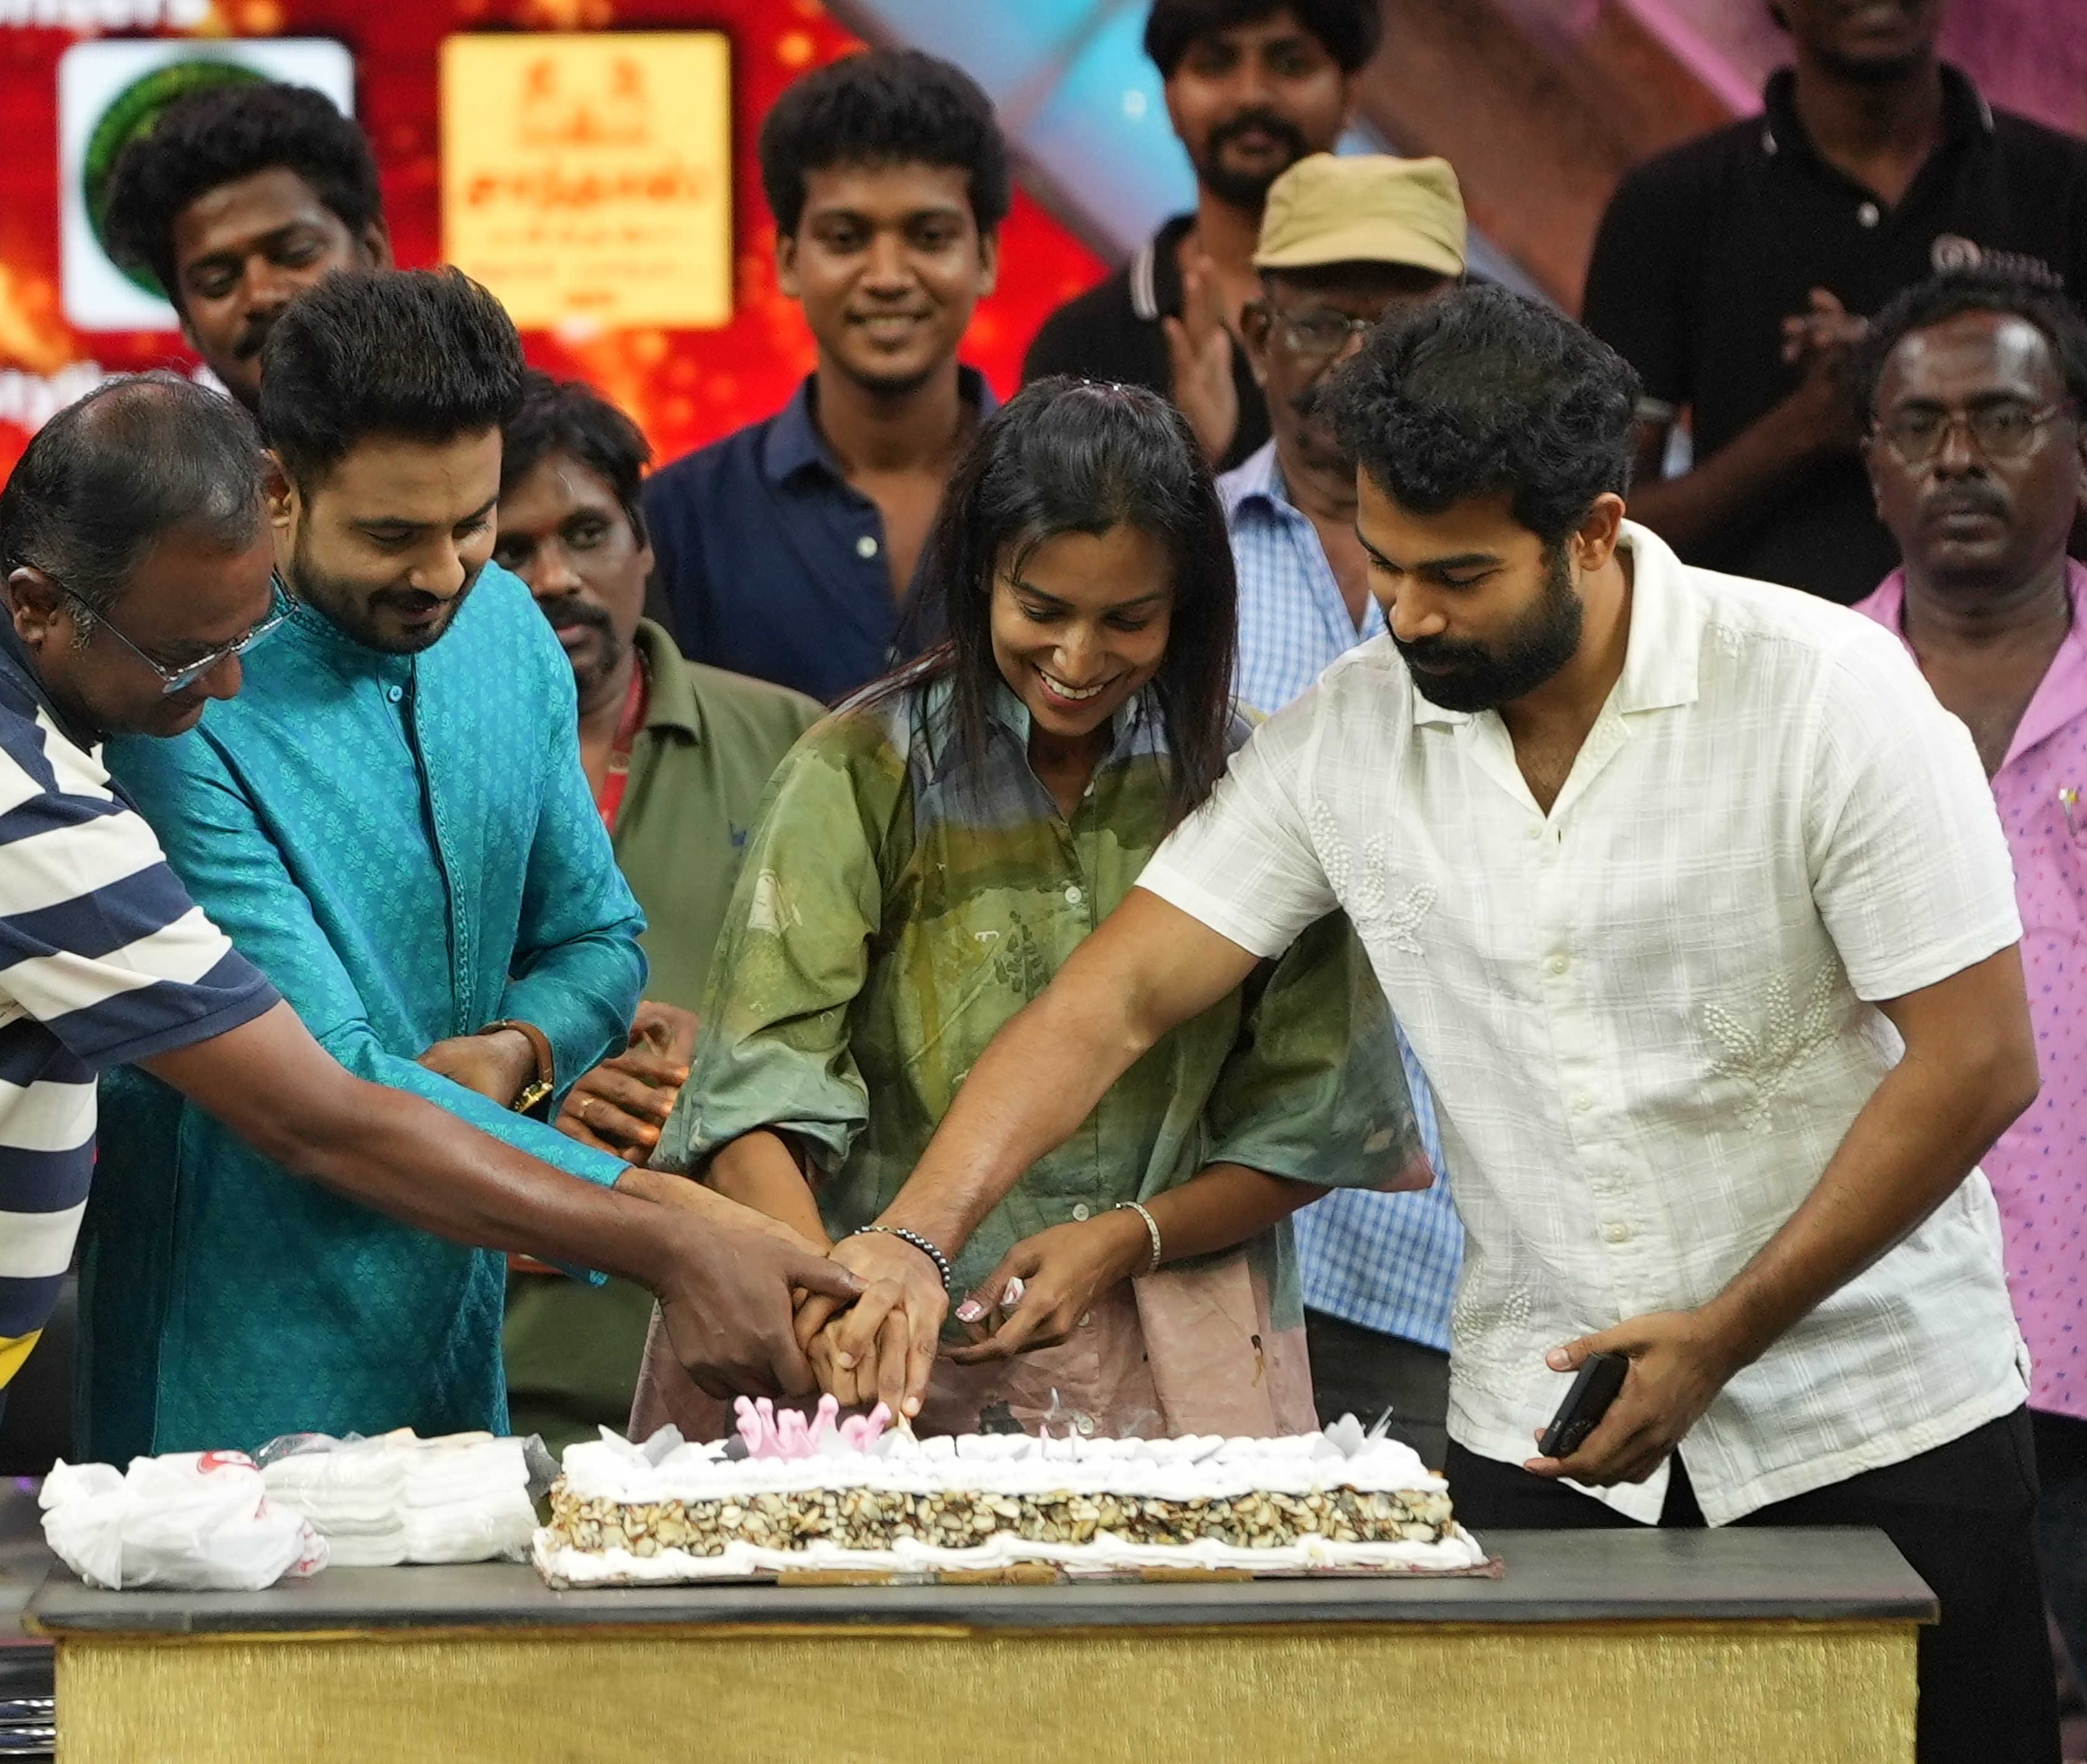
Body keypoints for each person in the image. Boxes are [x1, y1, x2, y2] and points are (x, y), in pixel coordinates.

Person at [0, 372, 854, 1764]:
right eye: (182, 657)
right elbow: (326, 1117)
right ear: (38, 603)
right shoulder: (17, 808)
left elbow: (583, 944)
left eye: (245, 635)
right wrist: (676, 1238)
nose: (222, 688)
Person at [859, 286, 2056, 1763]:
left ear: (1594, 530)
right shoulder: (1353, 731)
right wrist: (913, 1234)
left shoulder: (1823, 693)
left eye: (1459, 575)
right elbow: (1114, 995)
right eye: (1384, 558)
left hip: (1873, 1416)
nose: (1405, 610)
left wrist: (1724, 1332)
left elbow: (1977, 1057)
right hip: (1544, 1438)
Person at [639, 374, 1425, 1442]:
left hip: (1177, 1367)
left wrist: (1129, 1236)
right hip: (872, 1349)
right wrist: (839, 1296)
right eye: (1042, 611)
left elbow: (1312, 1127)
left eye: (1128, 620)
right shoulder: (861, 770)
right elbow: (750, 1102)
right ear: (977, 578)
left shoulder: (1252, 780)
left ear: (1186, 606)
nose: (1078, 658)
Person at [83, 270, 778, 1459]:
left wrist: (517, 1051)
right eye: (393, 536)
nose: (445, 574)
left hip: (462, 1322)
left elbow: (596, 939)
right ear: (278, 489)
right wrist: (677, 1233)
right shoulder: (192, 692)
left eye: (471, 522)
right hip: (237, 1321)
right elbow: (325, 1088)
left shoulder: (504, 631)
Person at [490, 373, 824, 1446]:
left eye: (587, 533)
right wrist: (545, 1074)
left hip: (737, 1371)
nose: (556, 579)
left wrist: (711, 1066)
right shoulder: (413, 769)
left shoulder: (796, 746)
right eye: (512, 549)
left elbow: (872, 1043)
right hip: (477, 1369)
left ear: (646, 545)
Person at [1851, 263, 2087, 1687]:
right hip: (1878, 1357)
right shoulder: (1800, 693)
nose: (1953, 456)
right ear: (1868, 466)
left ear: (2074, 439)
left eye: (1997, 418)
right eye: (1915, 425)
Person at [1218, 151, 1463, 1464]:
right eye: (1323, 318)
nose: (1359, 356)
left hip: (1469, 1248)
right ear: (1257, 332)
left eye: (1399, 319)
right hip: (1219, 1244)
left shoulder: (1538, 593)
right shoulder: (1170, 569)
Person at [1582, 0, 2087, 605]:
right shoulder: (1669, 205)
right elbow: (1593, 532)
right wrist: (1801, 429)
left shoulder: (2065, 188)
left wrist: (1927, 390)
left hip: (2038, 677)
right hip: (1761, 674)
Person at [643, 48, 1006, 703]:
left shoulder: (1065, 499)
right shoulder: (677, 522)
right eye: (845, 238)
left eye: (928, 237)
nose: (889, 277)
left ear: (984, 256)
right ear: (787, 260)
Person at [1023, 0, 1379, 473]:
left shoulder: (1443, 316)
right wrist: (1186, 464)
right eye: (1215, 64)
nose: (1252, 94)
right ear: (1169, 100)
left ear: (1350, 94)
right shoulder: (1085, 348)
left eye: (1292, 63)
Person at [100, 79, 390, 411]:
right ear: (186, 322)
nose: (261, 295)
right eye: (217, 283)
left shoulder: (462, 441)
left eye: (296, 254)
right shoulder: (165, 462)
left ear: (373, 250)